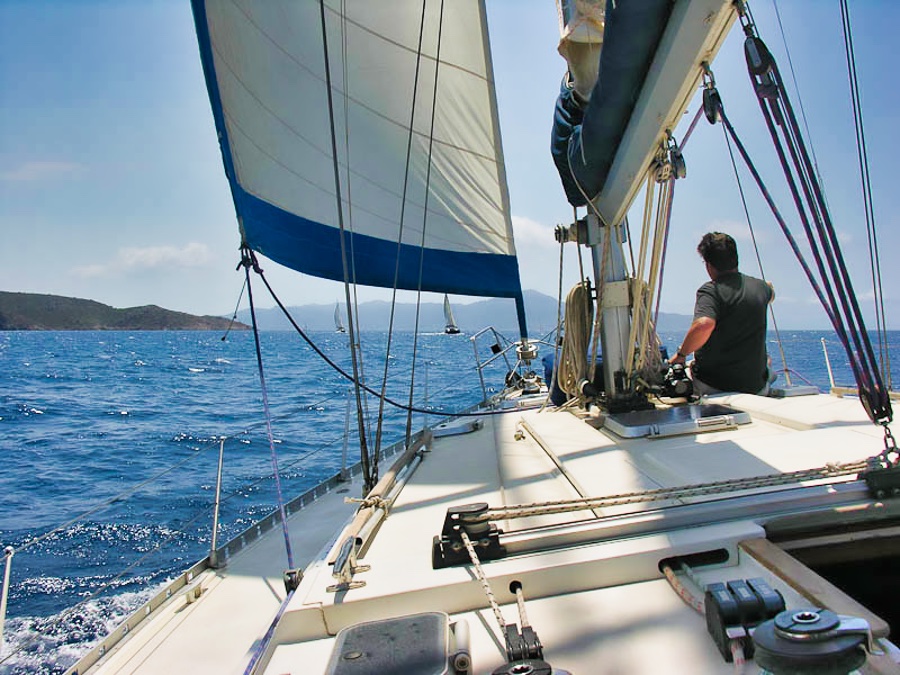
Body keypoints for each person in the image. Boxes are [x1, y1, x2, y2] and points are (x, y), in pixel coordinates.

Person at [670, 232, 774, 396]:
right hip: (757, 387)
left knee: (677, 375)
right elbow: (771, 292)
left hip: (716, 386)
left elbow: (704, 324)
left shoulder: (710, 291)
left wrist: (681, 354)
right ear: (736, 258)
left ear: (709, 265)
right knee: (768, 364)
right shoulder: (761, 288)